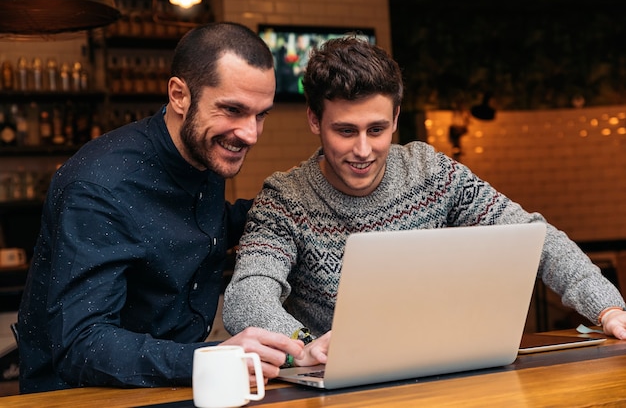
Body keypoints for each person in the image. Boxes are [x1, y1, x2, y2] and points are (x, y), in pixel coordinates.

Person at [222, 35, 626, 367]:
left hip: (442, 371)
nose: (363, 149)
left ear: (396, 118)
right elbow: (247, 298)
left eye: (377, 129)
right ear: (315, 120)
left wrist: (608, 309)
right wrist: (304, 347)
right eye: (345, 131)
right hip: (332, 388)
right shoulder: (284, 199)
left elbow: (534, 238)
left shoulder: (431, 172)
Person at [17, 22, 304, 394]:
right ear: (179, 95)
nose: (250, 133)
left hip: (174, 387)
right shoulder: (101, 185)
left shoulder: (204, 151)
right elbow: (81, 345)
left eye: (261, 114)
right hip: (80, 398)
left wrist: (302, 205)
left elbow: (199, 229)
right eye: (232, 109)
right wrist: (207, 358)